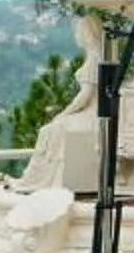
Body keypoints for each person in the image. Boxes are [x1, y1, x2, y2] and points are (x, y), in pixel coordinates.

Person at [19, 15, 103, 191]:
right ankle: (34, 179)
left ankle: (37, 180)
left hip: (92, 112)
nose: (76, 36)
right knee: (50, 129)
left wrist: (65, 112)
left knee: (51, 128)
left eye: (78, 32)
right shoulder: (96, 56)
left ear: (86, 33)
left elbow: (85, 95)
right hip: (92, 111)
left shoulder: (94, 58)